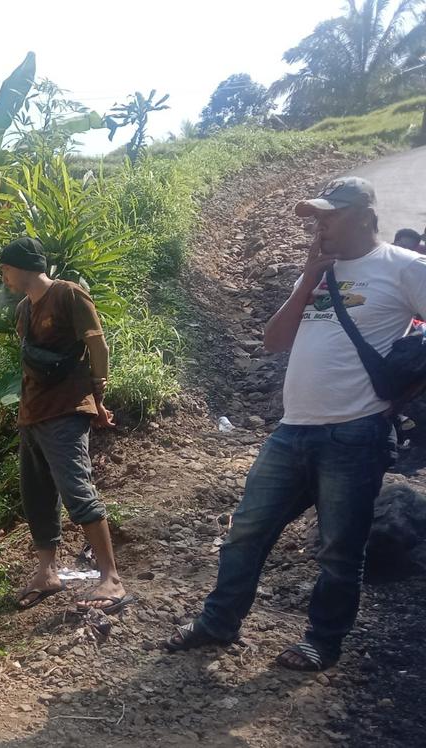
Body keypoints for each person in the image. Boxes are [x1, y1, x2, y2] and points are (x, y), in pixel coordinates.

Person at [164, 177, 426, 671]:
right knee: (245, 531)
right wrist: (307, 278)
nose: (320, 225)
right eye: (316, 217)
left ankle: (322, 642)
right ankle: (218, 622)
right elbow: (274, 341)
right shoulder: (319, 271)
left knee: (338, 550)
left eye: (330, 215)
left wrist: (405, 390)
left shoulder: (404, 267)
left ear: (365, 216)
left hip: (356, 431)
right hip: (293, 429)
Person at [0, 237, 131, 614]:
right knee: (37, 496)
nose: (4, 277)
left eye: (6, 269)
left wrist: (98, 397)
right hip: (32, 414)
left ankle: (111, 578)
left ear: (22, 266)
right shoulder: (24, 309)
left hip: (64, 411)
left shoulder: (68, 294)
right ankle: (47, 572)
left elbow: (97, 346)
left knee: (76, 489)